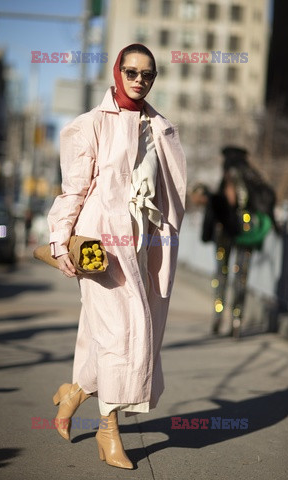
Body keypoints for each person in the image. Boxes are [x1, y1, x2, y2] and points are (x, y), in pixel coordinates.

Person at [46, 44, 187, 470]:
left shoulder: (159, 128)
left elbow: (169, 196)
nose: (139, 80)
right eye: (131, 71)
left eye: (148, 74)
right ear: (117, 72)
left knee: (110, 334)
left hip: (141, 246)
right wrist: (59, 239)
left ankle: (73, 393)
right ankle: (109, 433)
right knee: (122, 334)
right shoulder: (89, 125)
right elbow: (74, 189)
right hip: (100, 249)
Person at [192, 146, 276, 338]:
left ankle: (218, 316)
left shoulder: (231, 175)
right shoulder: (253, 177)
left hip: (227, 231)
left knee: (221, 274)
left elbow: (228, 201)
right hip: (247, 231)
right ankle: (237, 320)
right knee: (241, 276)